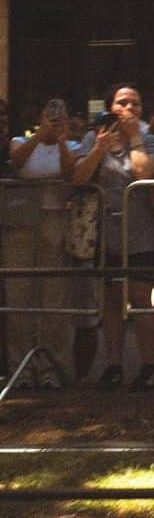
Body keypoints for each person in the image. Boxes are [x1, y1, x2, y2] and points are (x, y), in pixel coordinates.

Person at [72, 85, 154, 389]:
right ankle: (114, 366)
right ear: (111, 106)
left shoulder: (150, 135)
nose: (129, 108)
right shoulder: (94, 134)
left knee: (140, 298)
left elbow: (143, 174)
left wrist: (134, 137)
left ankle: (148, 366)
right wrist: (98, 148)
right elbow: (79, 177)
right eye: (123, 103)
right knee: (111, 299)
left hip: (141, 231)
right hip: (106, 231)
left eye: (135, 103)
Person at [4, 98, 76, 385]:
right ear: (40, 116)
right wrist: (39, 135)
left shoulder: (70, 146)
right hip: (20, 223)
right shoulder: (19, 141)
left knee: (54, 296)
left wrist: (59, 140)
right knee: (19, 293)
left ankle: (52, 367)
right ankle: (20, 366)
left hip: (55, 221)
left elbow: (69, 171)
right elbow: (18, 162)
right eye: (50, 115)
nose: (55, 119)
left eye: (60, 115)